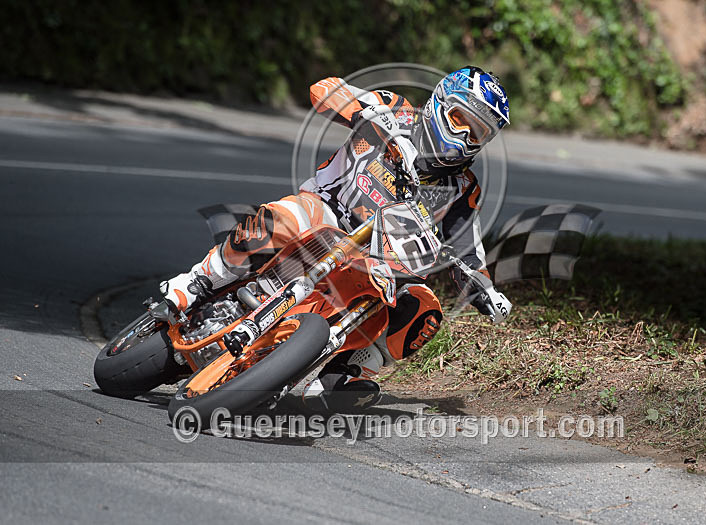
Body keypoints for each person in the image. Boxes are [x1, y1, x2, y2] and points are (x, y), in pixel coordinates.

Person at [160, 66, 512, 411]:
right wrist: (367, 113)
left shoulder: (463, 188)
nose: (467, 138)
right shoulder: (395, 109)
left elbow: (468, 244)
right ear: (439, 103)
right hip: (326, 211)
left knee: (423, 307)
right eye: (462, 120)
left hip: (375, 258)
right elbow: (325, 89)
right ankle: (196, 282)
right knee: (281, 219)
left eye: (480, 133)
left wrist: (487, 289)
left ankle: (348, 371)